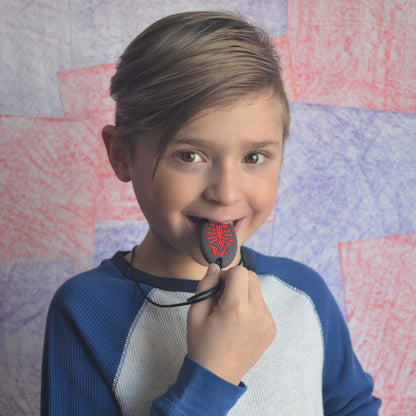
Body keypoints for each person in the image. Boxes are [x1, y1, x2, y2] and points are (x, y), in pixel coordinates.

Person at [41, 11, 381, 415]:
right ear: (121, 154)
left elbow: (353, 406)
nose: (226, 192)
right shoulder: (85, 310)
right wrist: (212, 376)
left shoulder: (304, 292)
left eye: (254, 156)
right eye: (190, 155)